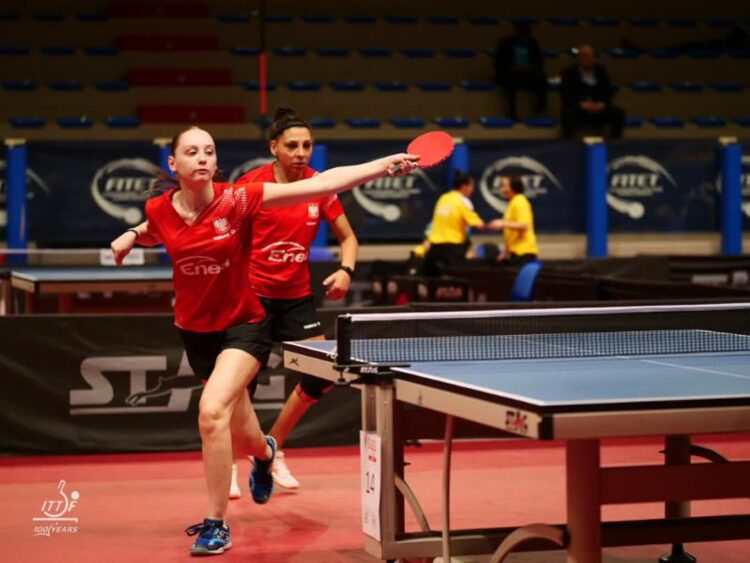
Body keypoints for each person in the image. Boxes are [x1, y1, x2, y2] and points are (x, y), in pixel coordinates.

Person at [109, 126, 417, 556]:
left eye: (209, 151)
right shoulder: (159, 208)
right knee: (244, 431)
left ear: (216, 162)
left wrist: (383, 165)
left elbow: (323, 184)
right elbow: (155, 228)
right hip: (195, 331)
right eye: (192, 152)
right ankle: (267, 453)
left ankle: (216, 525)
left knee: (212, 412)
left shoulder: (237, 199)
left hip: (243, 323)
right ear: (173, 164)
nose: (202, 158)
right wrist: (131, 235)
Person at [229, 107, 358, 496]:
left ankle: (271, 448)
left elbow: (348, 238)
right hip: (253, 296)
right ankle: (230, 460)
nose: (301, 153)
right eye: (292, 146)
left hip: (296, 296)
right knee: (240, 384)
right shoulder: (252, 186)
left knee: (323, 372)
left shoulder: (320, 186)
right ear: (274, 148)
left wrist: (346, 269)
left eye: (307, 145)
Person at [422, 171, 510, 277]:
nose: (473, 189)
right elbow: (478, 225)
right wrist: (493, 225)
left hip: (435, 247)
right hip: (452, 248)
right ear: (464, 186)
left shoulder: (442, 198)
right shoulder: (463, 201)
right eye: (471, 186)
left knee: (433, 279)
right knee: (456, 280)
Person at [560, 44, 625, 139]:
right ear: (579, 58)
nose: (589, 59)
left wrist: (601, 104)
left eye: (591, 56)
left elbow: (608, 92)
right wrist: (581, 104)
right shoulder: (569, 72)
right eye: (585, 56)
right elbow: (566, 94)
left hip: (599, 108)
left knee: (618, 113)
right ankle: (568, 142)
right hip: (579, 108)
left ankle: (615, 141)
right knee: (567, 114)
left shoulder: (601, 71)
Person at [493, 21, 547, 120]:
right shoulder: (505, 42)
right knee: (510, 80)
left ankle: (539, 110)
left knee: (542, 78)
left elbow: (538, 60)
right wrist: (512, 68)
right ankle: (512, 111)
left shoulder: (533, 42)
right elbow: (499, 62)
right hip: (510, 72)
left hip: (528, 72)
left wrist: (532, 67)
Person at [498, 174, 539, 266]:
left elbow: (524, 225)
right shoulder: (513, 202)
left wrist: (502, 223)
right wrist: (505, 251)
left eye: (504, 185)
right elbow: (511, 233)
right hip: (515, 253)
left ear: (513, 187)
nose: (501, 189)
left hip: (524, 254)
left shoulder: (520, 201)